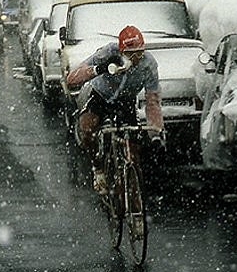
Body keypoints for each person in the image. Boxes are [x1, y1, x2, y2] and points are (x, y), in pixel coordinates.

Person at [67, 25, 165, 194]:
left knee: (133, 150)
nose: (135, 58)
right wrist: (99, 69)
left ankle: (131, 188)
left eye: (139, 53)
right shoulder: (108, 52)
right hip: (101, 96)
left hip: (125, 102)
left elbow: (152, 101)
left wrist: (155, 132)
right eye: (129, 54)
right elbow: (72, 78)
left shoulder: (148, 64)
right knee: (87, 128)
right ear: (120, 50)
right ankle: (98, 168)